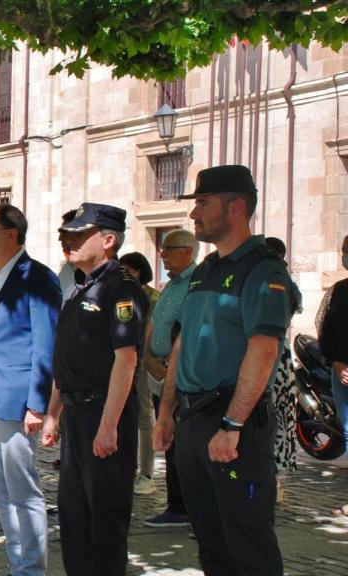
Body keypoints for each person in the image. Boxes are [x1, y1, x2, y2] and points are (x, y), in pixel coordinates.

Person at [154, 165, 290, 575]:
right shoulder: (204, 270)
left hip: (234, 423)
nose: (194, 214)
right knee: (210, 542)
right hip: (192, 420)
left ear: (236, 207)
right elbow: (183, 342)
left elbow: (263, 350)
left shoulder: (264, 270)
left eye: (202, 203)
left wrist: (233, 424)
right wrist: (166, 411)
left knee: (248, 545)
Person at [41, 202, 147, 576]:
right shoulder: (79, 285)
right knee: (73, 515)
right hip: (76, 412)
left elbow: (127, 360)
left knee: (105, 518)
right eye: (67, 233)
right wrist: (53, 411)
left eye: (79, 234)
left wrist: (108, 425)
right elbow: (66, 355)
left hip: (104, 411)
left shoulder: (121, 288)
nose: (68, 240)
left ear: (108, 240)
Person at [0, 205, 61, 576]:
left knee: (22, 490)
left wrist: (38, 405)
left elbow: (45, 343)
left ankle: (31, 569)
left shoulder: (38, 277)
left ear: (12, 234)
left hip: (17, 399)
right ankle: (17, 564)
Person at [141, 229, 198, 528]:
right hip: (158, 373)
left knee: (180, 444)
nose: (162, 254)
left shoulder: (197, 284)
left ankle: (185, 507)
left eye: (169, 249)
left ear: (188, 251)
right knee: (168, 441)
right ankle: (177, 505)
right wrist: (148, 358)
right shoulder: (170, 287)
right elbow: (154, 326)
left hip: (180, 377)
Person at [118, 251, 160, 497]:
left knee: (145, 414)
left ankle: (146, 472)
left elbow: (151, 331)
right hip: (122, 360)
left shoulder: (153, 297)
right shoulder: (120, 295)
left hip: (144, 360)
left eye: (130, 269)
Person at [263, 236, 302, 491]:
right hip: (282, 354)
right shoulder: (288, 284)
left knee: (267, 414)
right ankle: (272, 477)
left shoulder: (271, 282)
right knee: (276, 414)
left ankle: (268, 476)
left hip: (269, 354)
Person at [320, 233, 348, 516]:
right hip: (341, 373)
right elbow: (326, 330)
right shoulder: (340, 290)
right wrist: (336, 363)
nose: (344, 255)